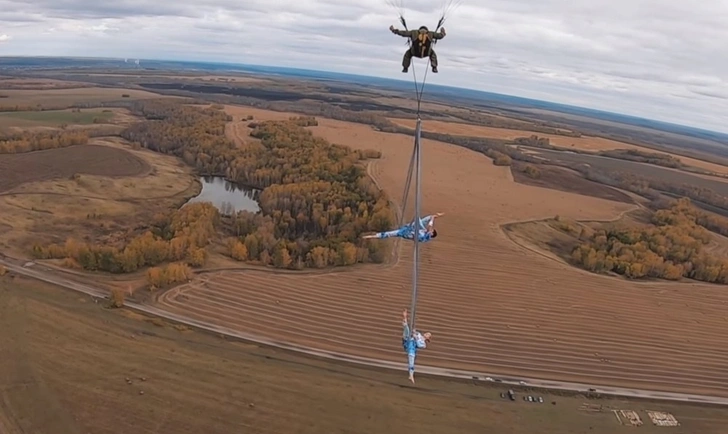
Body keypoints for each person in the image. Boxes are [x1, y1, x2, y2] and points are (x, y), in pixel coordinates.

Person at [362, 212, 444, 242]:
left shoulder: (424, 236)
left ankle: (372, 236)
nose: (430, 229)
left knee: (389, 234)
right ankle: (372, 236)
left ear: (432, 233)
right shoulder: (424, 231)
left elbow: (429, 226)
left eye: (431, 230)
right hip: (408, 230)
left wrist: (434, 218)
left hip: (407, 232)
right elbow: (429, 220)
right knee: (421, 221)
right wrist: (436, 216)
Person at [402, 308, 432, 383]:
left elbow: (418, 344)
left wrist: (416, 337)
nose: (426, 333)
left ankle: (411, 375)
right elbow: (414, 333)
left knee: (411, 361)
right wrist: (414, 333)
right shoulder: (419, 334)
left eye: (428, 334)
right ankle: (404, 317)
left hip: (411, 347)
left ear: (428, 338)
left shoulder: (423, 344)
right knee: (407, 328)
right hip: (408, 340)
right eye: (427, 333)